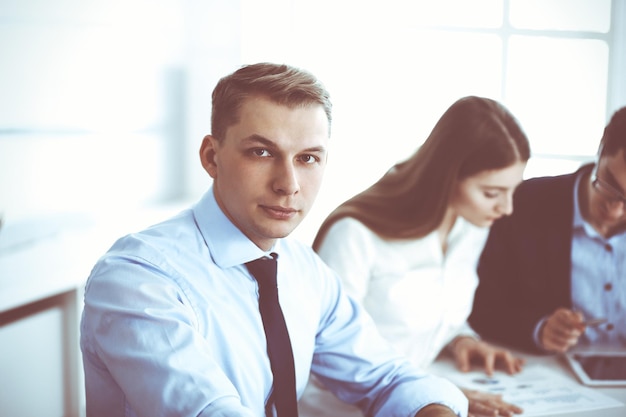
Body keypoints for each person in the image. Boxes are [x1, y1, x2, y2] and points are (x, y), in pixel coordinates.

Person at [79, 62, 469, 417]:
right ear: (212, 157)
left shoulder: (304, 271)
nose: (288, 185)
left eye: (308, 158)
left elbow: (388, 376)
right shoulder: (137, 278)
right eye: (262, 152)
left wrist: (433, 409)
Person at [298, 96, 530, 417]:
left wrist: (460, 339)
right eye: (492, 193)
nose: (507, 209)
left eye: (512, 191)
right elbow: (326, 350)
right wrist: (430, 393)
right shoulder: (355, 234)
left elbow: (433, 308)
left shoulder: (471, 227)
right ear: (449, 177)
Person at [469, 106, 626, 354]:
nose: (615, 211)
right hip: (550, 372)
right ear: (602, 145)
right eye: (609, 184)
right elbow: (481, 306)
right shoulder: (521, 204)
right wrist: (539, 328)